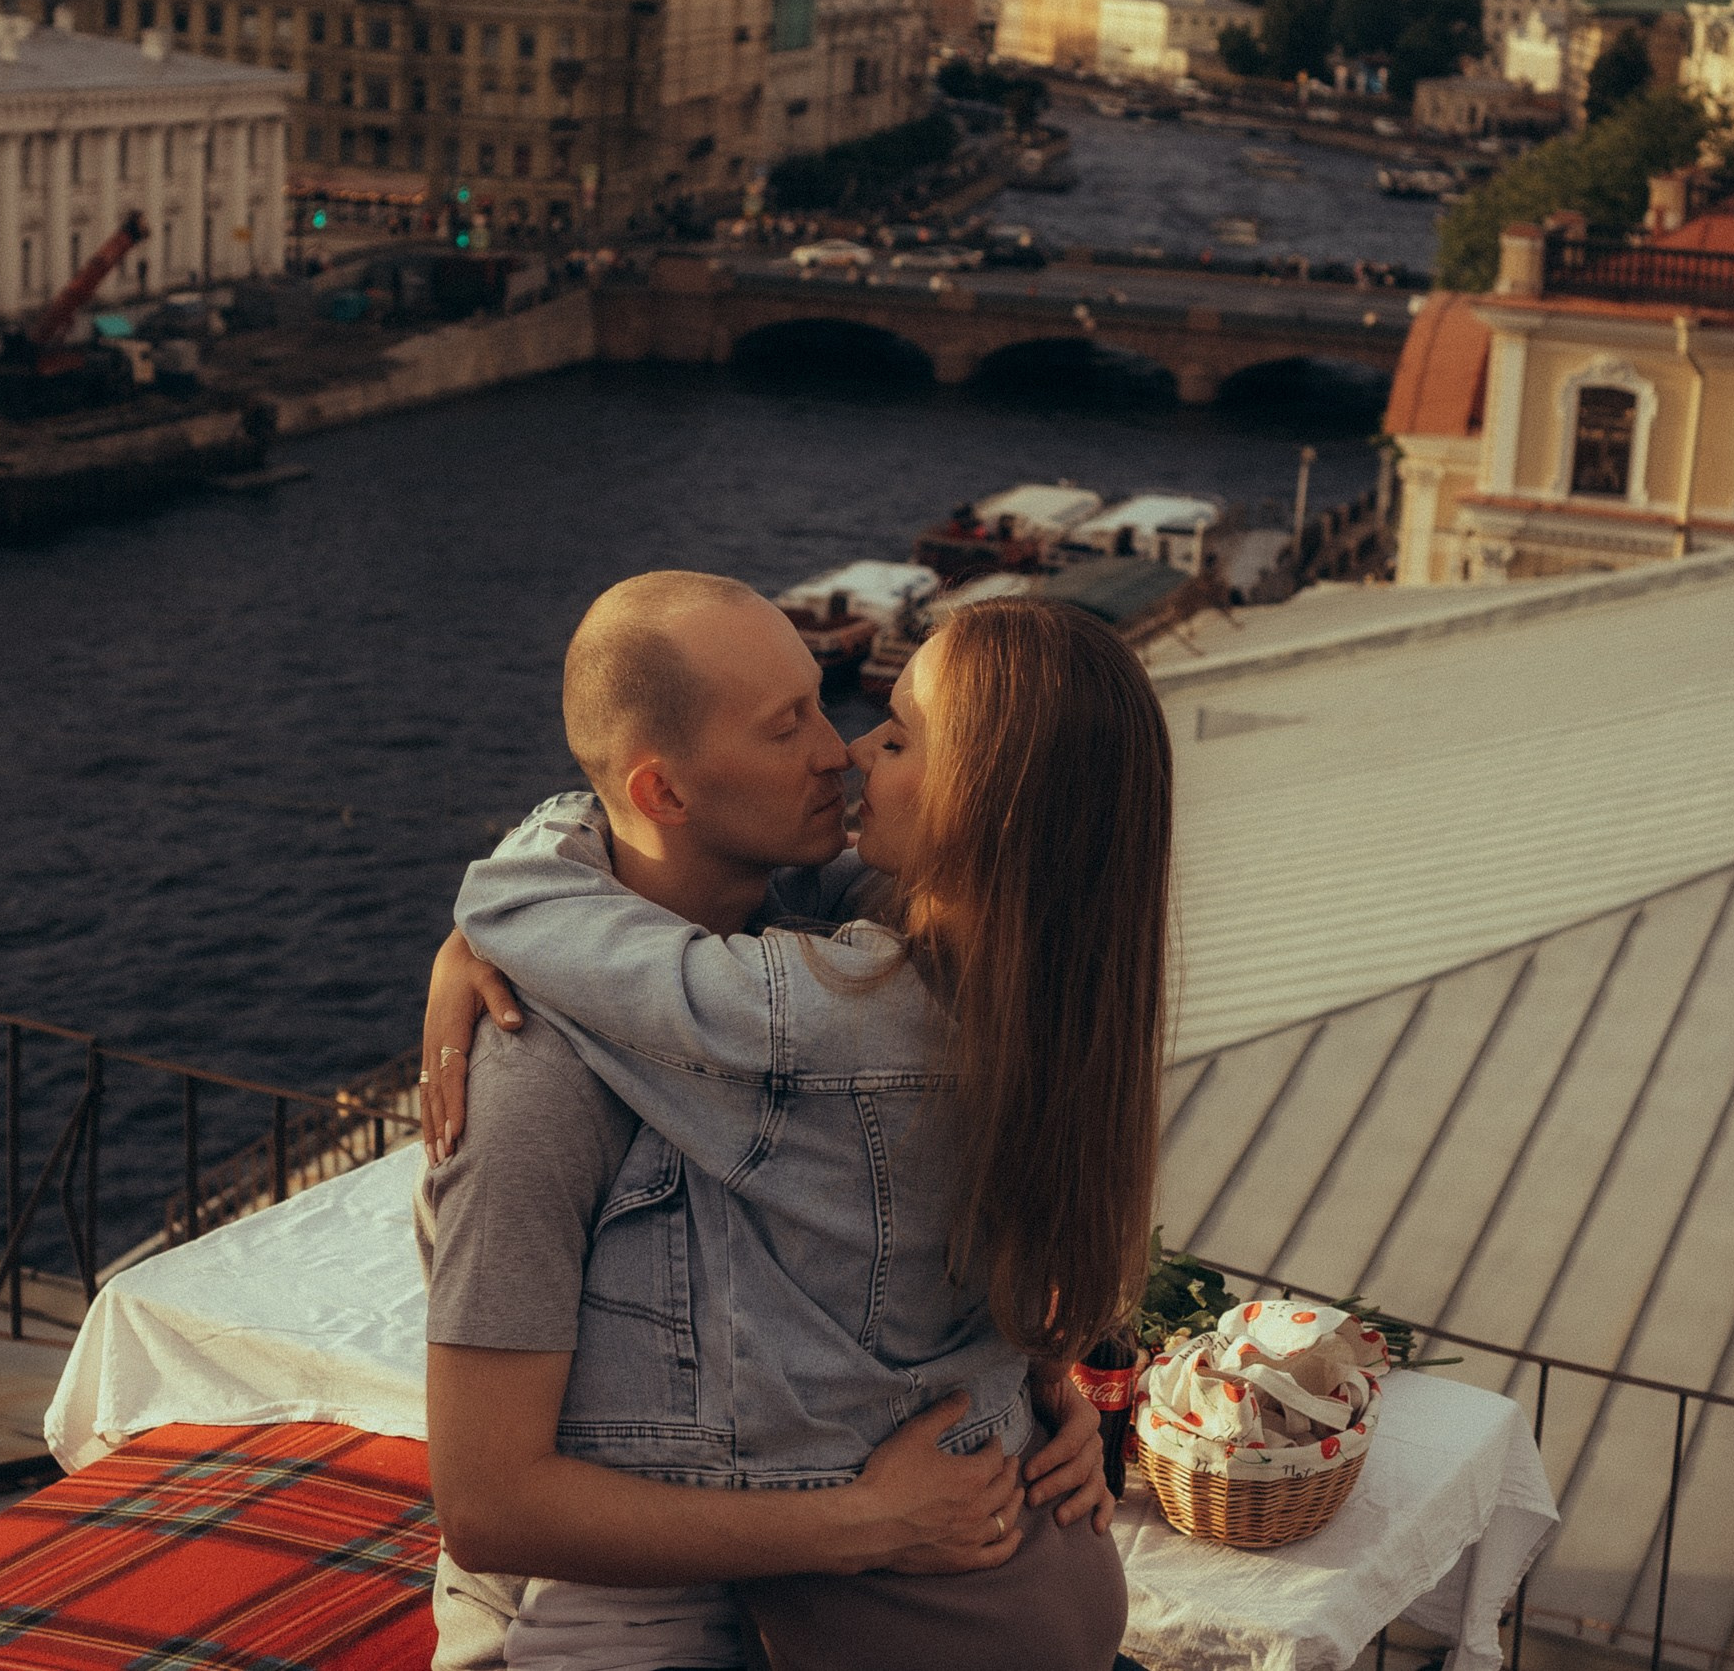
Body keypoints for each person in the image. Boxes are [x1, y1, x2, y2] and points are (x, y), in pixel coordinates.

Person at [422, 573, 1173, 1668]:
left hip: (851, 1602)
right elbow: (487, 1505)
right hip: (605, 1621)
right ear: (667, 793)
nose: (842, 750)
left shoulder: (845, 973)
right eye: (791, 725)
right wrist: (868, 1517)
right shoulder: (539, 1074)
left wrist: (1023, 1382)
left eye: (868, 723)